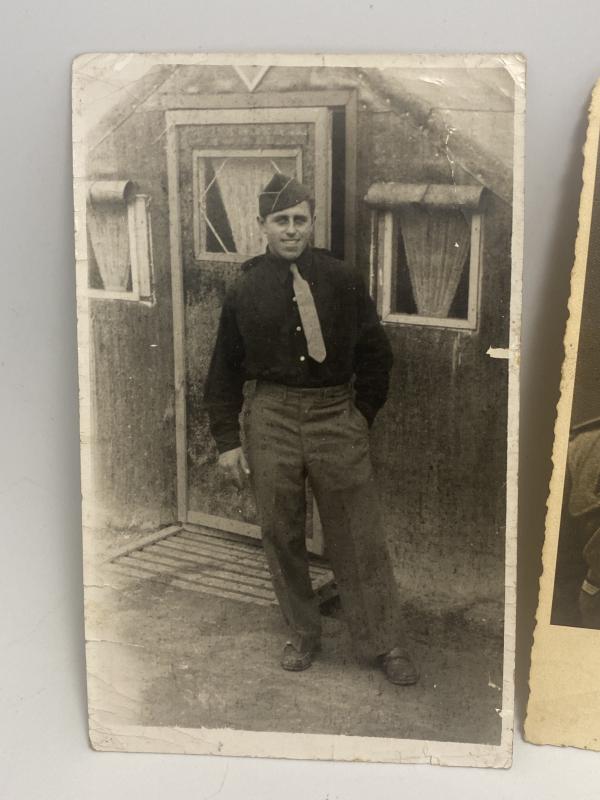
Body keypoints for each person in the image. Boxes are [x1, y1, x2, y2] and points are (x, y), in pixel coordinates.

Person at [204, 173, 418, 684]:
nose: (292, 230)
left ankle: (383, 642)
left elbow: (376, 355)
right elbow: (223, 370)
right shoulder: (244, 288)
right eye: (281, 221)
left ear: (312, 223)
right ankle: (303, 632)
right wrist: (227, 441)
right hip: (271, 416)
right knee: (280, 530)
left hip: (333, 414)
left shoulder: (341, 278)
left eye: (300, 220)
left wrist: (357, 415)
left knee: (357, 532)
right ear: (262, 226)